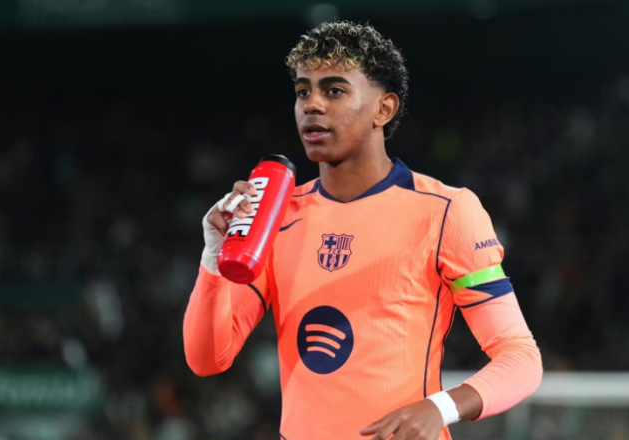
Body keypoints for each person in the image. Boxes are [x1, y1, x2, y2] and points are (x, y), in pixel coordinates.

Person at [183, 20, 542, 440]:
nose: (312, 105)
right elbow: (207, 359)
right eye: (302, 92)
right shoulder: (275, 218)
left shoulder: (446, 211)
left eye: (334, 90)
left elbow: (520, 356)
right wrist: (213, 257)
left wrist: (441, 407)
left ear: (383, 109)